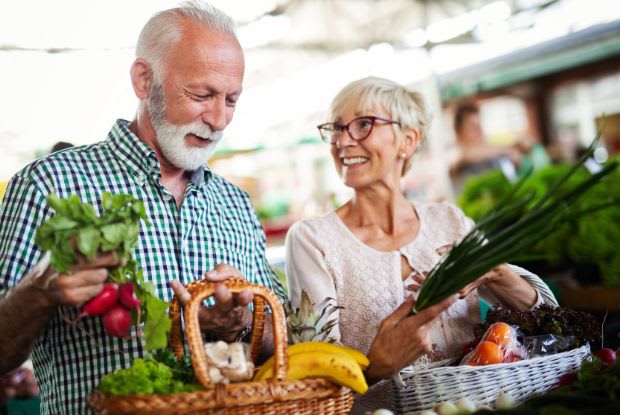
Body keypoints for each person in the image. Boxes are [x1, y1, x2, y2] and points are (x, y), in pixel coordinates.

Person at [0, 2, 285, 413]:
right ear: (143, 79)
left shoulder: (235, 203)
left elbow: (282, 340)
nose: (219, 119)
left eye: (232, 100)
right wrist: (38, 293)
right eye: (201, 95)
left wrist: (242, 324)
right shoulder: (48, 185)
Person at [285, 77, 558, 414]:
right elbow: (314, 382)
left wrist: (498, 274)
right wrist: (375, 368)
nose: (342, 141)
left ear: (408, 140)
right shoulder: (313, 239)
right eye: (336, 128)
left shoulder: (450, 222)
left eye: (363, 124)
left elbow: (551, 321)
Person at [450, 101, 528, 194]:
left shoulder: (491, 152)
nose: (479, 130)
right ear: (459, 131)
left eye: (479, 125)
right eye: (472, 126)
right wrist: (508, 150)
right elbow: (466, 155)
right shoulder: (456, 155)